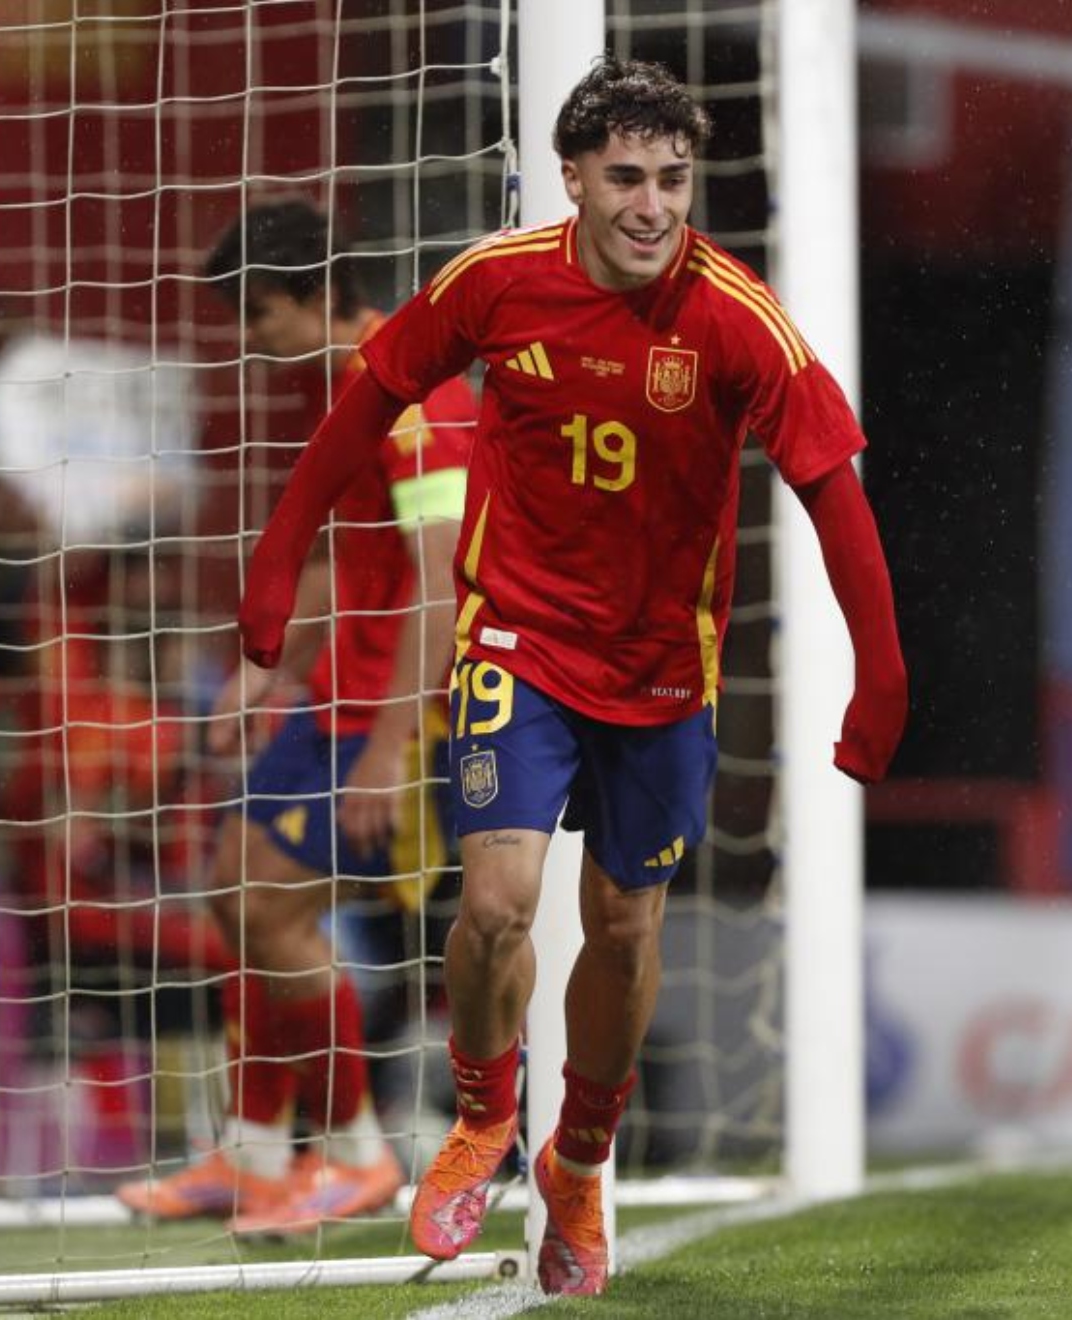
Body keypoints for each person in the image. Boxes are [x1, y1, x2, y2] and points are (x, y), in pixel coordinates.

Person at [237, 58, 906, 1296]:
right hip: (516, 643)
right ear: (575, 180)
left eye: (673, 179)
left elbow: (831, 489)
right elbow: (369, 397)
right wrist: (278, 559)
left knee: (624, 926)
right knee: (493, 902)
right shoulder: (495, 282)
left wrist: (881, 676)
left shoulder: (735, 317)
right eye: (627, 178)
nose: (653, 206)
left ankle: (579, 1159)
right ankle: (483, 1117)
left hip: (660, 669)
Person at [115, 200, 476, 1236]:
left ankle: (359, 1155)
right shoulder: (347, 390)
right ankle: (255, 1153)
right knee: (231, 888)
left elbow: (440, 590)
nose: (247, 335)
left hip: (408, 713)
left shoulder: (418, 402)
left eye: (261, 312)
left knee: (271, 912)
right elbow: (345, 559)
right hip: (334, 699)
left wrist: (392, 748)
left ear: (323, 296)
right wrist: (264, 670)